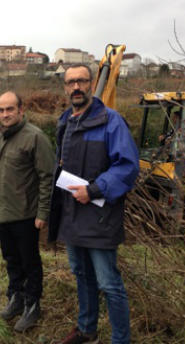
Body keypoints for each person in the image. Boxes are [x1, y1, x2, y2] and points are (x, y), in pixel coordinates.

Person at [48, 64, 139, 344]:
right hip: (73, 216)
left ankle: (120, 340)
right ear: (65, 88)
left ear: (91, 84)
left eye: (82, 81)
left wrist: (95, 189)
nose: (76, 87)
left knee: (109, 284)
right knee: (81, 275)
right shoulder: (66, 123)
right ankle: (87, 331)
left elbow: (127, 166)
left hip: (100, 217)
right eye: (71, 82)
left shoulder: (110, 121)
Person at [0, 91, 54, 332]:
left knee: (30, 262)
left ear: (21, 110)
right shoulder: (0, 137)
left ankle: (32, 305)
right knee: (11, 260)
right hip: (3, 213)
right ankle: (15, 299)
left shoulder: (35, 138)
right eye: (1, 110)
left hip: (26, 215)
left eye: (10, 109)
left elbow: (47, 177)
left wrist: (43, 213)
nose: (5, 114)